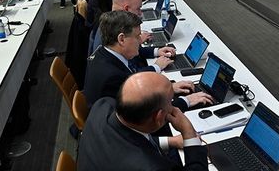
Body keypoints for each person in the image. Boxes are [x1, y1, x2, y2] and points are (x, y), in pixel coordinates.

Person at [83, 11, 213, 111]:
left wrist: (170, 89)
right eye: (137, 36)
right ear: (121, 39)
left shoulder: (104, 53)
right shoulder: (112, 76)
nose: (141, 40)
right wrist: (186, 101)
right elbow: (146, 111)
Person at [77, 72, 208, 171]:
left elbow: (130, 140)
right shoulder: (151, 167)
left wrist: (171, 141)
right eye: (171, 101)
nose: (173, 105)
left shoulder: (102, 106)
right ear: (159, 117)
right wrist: (188, 133)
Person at [91, 0, 176, 65]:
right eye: (138, 9)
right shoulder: (114, 30)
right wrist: (156, 67)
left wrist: (156, 51)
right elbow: (131, 70)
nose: (140, 13)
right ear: (127, 9)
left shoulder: (113, 23)